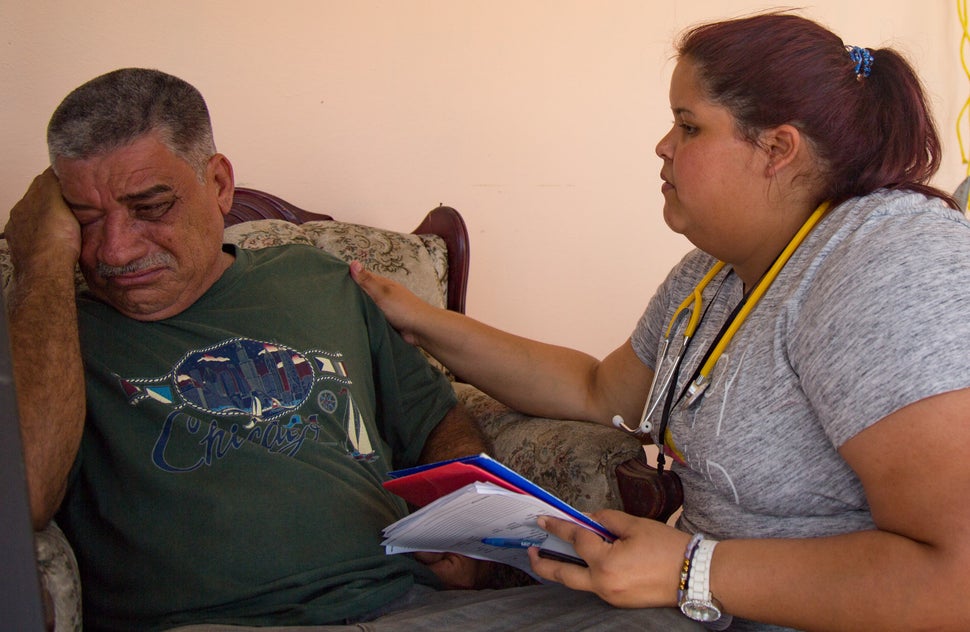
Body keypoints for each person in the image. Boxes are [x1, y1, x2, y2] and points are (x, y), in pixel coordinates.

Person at [5, 69, 702, 631]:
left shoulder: (315, 279)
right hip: (220, 622)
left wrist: (467, 542)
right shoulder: (51, 333)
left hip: (412, 606)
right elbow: (24, 498)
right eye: (86, 219)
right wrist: (40, 265)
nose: (114, 250)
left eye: (149, 207)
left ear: (217, 184)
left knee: (666, 623)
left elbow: (435, 421)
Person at [352, 11, 970, 632]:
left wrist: (693, 571)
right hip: (706, 605)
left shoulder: (886, 261)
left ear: (777, 149)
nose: (662, 145)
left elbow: (956, 580)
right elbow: (596, 390)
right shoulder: (711, 272)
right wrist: (421, 319)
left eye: (688, 125)